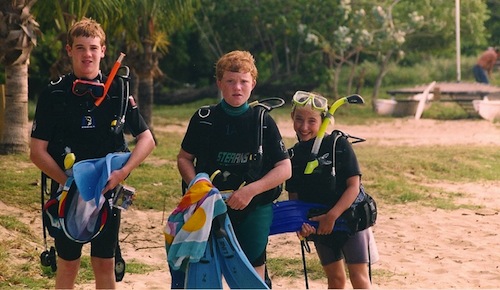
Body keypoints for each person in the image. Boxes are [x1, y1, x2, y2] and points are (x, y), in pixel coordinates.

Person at [30, 17, 155, 289]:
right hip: (65, 191)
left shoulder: (119, 92)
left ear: (103, 50)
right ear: (69, 50)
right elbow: (37, 152)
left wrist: (123, 171)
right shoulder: (54, 94)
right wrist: (69, 183)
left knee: (104, 263)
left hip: (107, 191)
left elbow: (147, 140)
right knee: (67, 264)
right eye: (80, 47)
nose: (87, 54)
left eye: (93, 47)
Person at [176, 50, 291, 284]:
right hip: (207, 208)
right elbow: (184, 158)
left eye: (243, 82)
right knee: (205, 268)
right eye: (230, 81)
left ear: (253, 84)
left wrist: (251, 191)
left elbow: (284, 168)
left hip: (253, 207)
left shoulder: (263, 122)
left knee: (252, 269)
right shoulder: (204, 118)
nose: (237, 88)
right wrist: (198, 187)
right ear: (219, 83)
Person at [286, 91, 378, 289]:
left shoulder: (338, 145)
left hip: (349, 218)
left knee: (359, 277)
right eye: (299, 119)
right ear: (292, 118)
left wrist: (332, 215)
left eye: (312, 121)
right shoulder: (293, 156)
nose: (304, 127)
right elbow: (294, 198)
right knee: (335, 279)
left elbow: (354, 186)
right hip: (320, 224)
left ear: (324, 121)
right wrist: (301, 225)